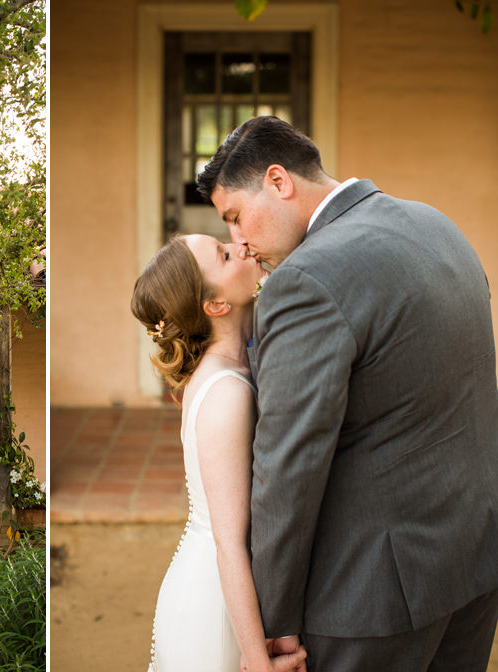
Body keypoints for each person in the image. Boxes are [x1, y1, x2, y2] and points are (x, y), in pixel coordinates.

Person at [195, 115, 498, 670]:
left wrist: (274, 622)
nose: (238, 240)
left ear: (279, 180)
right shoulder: (436, 224)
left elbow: (288, 469)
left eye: (236, 216)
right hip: (475, 563)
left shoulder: (305, 280)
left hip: (373, 600)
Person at [132, 234, 307, 672]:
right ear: (216, 305)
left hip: (221, 591)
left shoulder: (232, 366)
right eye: (226, 255)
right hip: (215, 611)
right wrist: (255, 658)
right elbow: (230, 543)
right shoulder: (226, 391)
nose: (243, 247)